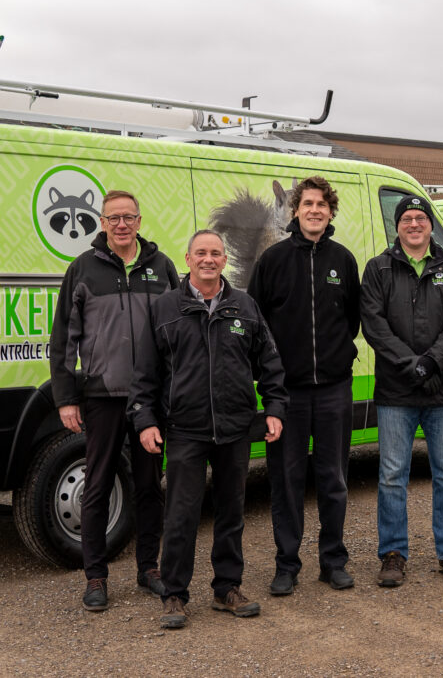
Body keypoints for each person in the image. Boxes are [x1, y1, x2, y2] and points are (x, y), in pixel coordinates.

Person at [129, 230, 288, 629]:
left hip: (235, 429)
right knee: (181, 515)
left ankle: (226, 589)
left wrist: (274, 407)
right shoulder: (166, 308)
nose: (208, 259)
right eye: (201, 253)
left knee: (232, 513)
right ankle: (174, 595)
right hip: (185, 429)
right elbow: (145, 372)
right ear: (187, 259)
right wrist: (145, 420)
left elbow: (270, 362)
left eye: (215, 253)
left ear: (224, 260)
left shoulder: (245, 306)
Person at [49, 190, 178, 612]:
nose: (121, 224)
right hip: (102, 396)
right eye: (113, 218)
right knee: (98, 485)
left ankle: (149, 569)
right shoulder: (83, 269)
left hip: (150, 399)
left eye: (128, 217)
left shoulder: (162, 267)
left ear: (140, 221)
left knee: (148, 486)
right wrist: (67, 398)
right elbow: (63, 340)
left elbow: (180, 330)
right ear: (101, 223)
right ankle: (96, 577)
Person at [248, 176, 361, 595]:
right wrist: (272, 377)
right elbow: (256, 325)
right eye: (307, 203)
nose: (315, 210)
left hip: (333, 389)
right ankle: (287, 565)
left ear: (331, 212)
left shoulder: (343, 261)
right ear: (295, 210)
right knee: (286, 481)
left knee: (334, 480)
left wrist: (333, 359)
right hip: (286, 393)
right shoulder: (274, 260)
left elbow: (351, 320)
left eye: (322, 204)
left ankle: (333, 562)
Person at [360, 195, 443, 586]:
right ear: (398, 226)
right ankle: (393, 553)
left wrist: (433, 362)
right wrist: (413, 365)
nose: (413, 224)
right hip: (396, 392)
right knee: (392, 474)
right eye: (406, 219)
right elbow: (373, 325)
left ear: (429, 225)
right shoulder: (378, 269)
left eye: (420, 218)